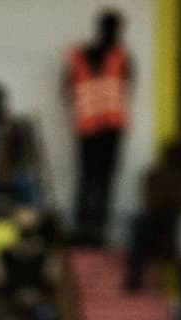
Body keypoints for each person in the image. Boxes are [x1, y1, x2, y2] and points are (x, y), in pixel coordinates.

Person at [66, 10, 134, 245]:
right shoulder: (80, 55)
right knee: (87, 180)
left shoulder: (122, 57)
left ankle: (98, 231)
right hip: (88, 128)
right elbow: (68, 87)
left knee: (103, 182)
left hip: (110, 129)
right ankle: (83, 230)